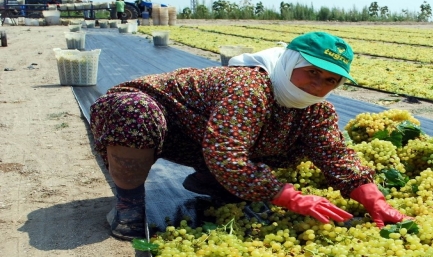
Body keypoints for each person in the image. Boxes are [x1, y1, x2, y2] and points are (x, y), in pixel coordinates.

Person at [90, 31, 411, 240]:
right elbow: (227, 155)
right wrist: (291, 197)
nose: (319, 85)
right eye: (312, 72)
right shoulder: (249, 88)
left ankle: (211, 181)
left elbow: (334, 154)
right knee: (132, 112)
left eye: (331, 80)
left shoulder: (317, 110)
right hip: (162, 118)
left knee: (295, 141)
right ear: (291, 62)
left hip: (206, 135)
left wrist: (373, 198)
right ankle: (129, 203)